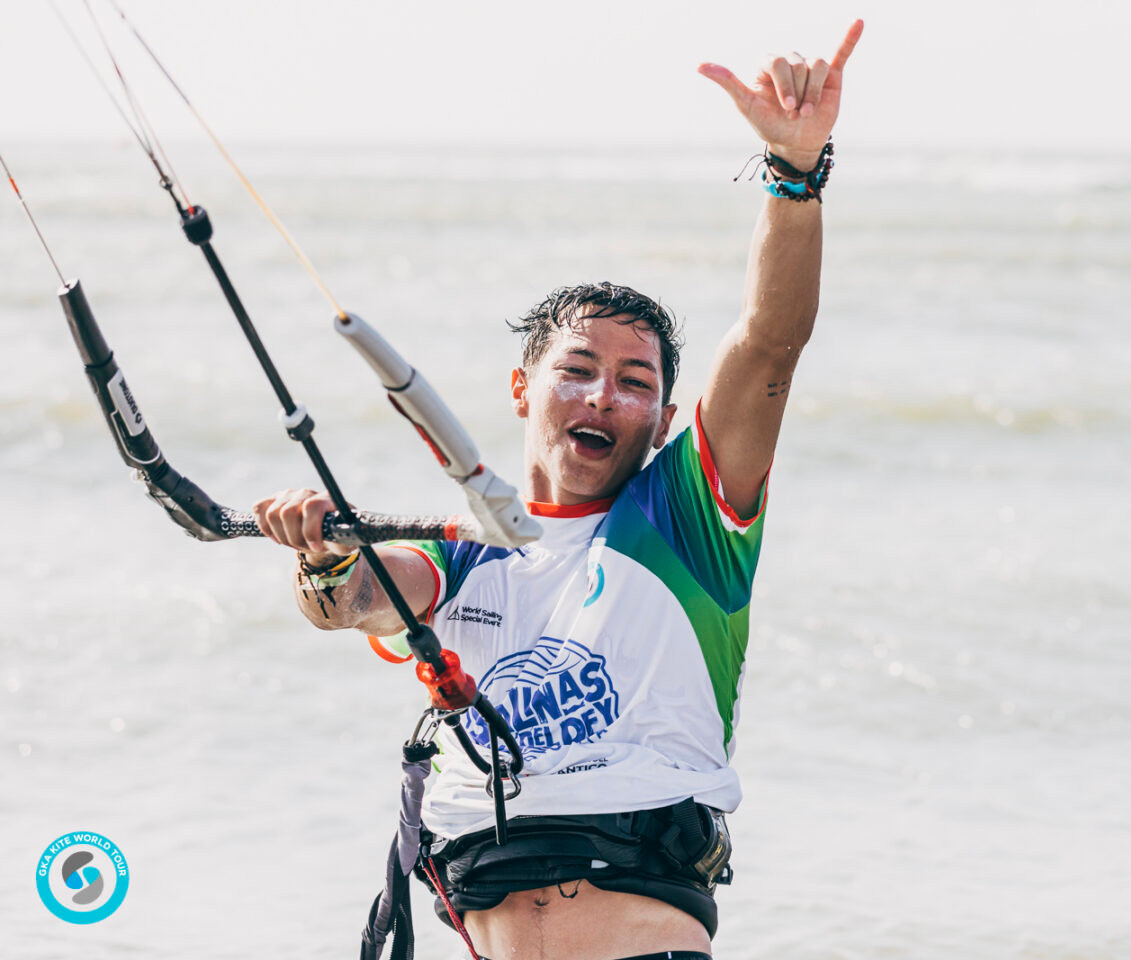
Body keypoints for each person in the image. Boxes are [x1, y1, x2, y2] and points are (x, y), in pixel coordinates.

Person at [254, 20, 864, 960]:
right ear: (521, 390)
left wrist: (795, 175)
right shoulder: (463, 546)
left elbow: (769, 342)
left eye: (636, 383)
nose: (604, 395)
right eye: (578, 369)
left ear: (663, 423)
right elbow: (366, 597)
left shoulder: (686, 520)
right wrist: (327, 561)